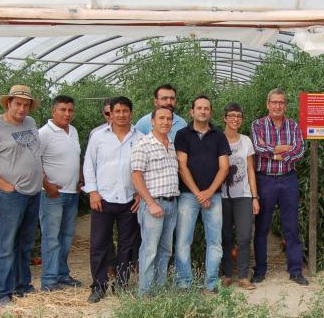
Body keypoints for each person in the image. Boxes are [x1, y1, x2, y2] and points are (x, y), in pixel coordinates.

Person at [0, 84, 44, 307]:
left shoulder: (30, 124)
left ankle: (22, 285)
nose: (22, 109)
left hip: (32, 193)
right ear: (9, 103)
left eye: (26, 105)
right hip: (10, 196)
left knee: (25, 243)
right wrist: (4, 185)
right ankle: (2, 294)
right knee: (6, 245)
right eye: (18, 104)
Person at [81, 96, 141, 303]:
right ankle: (98, 286)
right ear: (111, 113)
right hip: (103, 199)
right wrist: (93, 192)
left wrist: (140, 193)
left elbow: (144, 169)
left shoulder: (140, 138)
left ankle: (122, 285)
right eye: (118, 111)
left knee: (126, 245)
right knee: (99, 245)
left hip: (129, 200)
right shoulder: (98, 137)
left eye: (125, 111)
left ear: (131, 113)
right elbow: (89, 165)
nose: (122, 115)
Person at [250, 88, 309, 285]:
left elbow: (299, 151)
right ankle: (259, 270)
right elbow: (258, 149)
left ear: (285, 105)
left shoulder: (293, 125)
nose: (277, 106)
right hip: (264, 179)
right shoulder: (257, 125)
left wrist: (274, 151)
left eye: (281, 102)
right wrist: (283, 150)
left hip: (288, 179)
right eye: (274, 102)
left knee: (291, 226)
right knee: (262, 227)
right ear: (268, 104)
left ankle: (295, 270)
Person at [174, 95, 231, 292]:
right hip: (188, 196)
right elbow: (182, 166)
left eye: (206, 108)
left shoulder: (219, 136)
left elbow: (224, 168)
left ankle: (212, 283)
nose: (203, 111)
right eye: (199, 108)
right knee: (183, 241)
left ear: (211, 112)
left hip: (213, 196)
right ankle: (184, 283)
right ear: (192, 111)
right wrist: (199, 193)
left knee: (215, 241)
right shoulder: (182, 135)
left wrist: (208, 192)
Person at [132, 106, 181, 295]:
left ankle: (159, 292)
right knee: (149, 251)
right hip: (153, 205)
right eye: (161, 118)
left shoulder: (171, 144)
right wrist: (151, 203)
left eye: (169, 119)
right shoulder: (143, 144)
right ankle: (145, 294)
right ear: (152, 121)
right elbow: (136, 176)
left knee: (165, 250)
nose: (165, 122)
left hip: (171, 203)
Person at [38, 95, 84, 292]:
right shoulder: (43, 134)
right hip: (52, 195)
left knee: (66, 237)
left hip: (71, 193)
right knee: (51, 238)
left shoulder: (72, 131)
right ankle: (49, 280)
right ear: (53, 111)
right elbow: (33, 161)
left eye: (70, 110)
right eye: (63, 110)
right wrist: (46, 184)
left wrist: (80, 178)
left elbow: (75, 157)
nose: (67, 114)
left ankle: (62, 275)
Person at [220, 103, 259, 290]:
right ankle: (227, 274)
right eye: (232, 115)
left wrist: (255, 196)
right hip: (222, 196)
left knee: (244, 236)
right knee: (225, 236)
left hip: (243, 195)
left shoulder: (246, 141)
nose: (236, 119)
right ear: (225, 118)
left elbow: (251, 170)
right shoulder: (217, 139)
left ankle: (243, 276)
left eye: (239, 116)